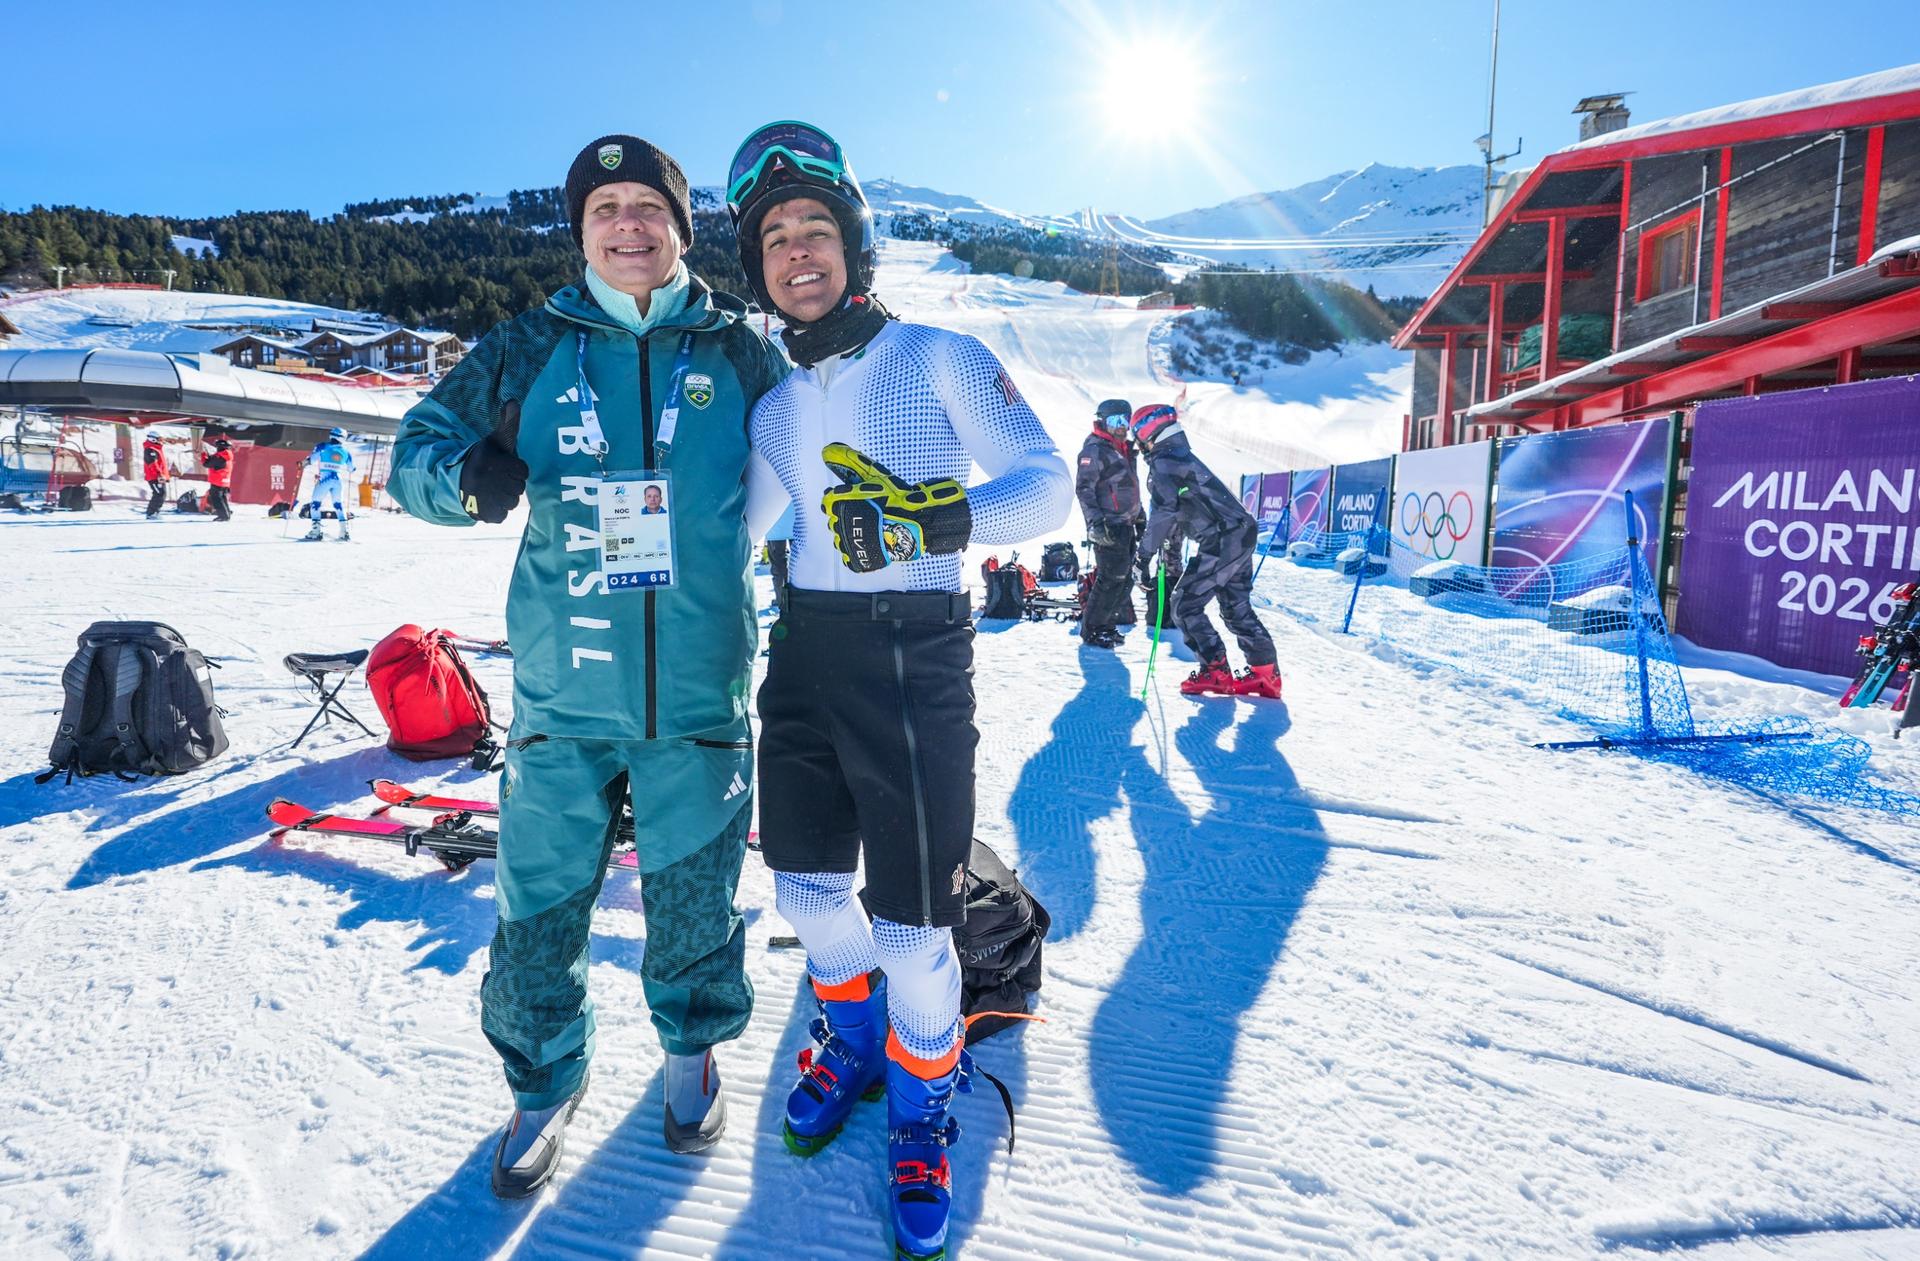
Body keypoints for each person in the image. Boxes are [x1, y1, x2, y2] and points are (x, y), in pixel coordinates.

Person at [389, 133, 789, 1198]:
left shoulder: (741, 354)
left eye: (648, 209)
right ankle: (541, 1080)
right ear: (580, 231)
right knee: (537, 915)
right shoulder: (527, 346)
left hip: (700, 697)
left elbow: (814, 479)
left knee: (697, 908)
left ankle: (690, 1047)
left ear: (679, 228)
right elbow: (411, 452)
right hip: (564, 701)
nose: (628, 226)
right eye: (606, 208)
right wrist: (455, 475)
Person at [729, 120, 1071, 1261]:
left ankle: (925, 1105)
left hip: (915, 653)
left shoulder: (936, 356)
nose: (796, 251)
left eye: (815, 228)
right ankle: (856, 1032)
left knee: (914, 923)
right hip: (806, 656)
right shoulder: (775, 410)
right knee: (809, 891)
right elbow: (734, 538)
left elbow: (1048, 488)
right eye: (773, 237)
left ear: (854, 242)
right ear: (756, 266)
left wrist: (935, 520)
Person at [1132, 404, 1283, 699]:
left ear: (1148, 431)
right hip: (1239, 532)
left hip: (1223, 537)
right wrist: (1162, 550)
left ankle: (1215, 671)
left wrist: (1142, 557)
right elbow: (1173, 514)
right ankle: (1264, 674)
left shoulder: (1164, 463)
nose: (1137, 442)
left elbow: (1164, 513)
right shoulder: (1177, 457)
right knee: (1235, 607)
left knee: (1185, 603)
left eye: (1137, 433)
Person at [1075, 398, 1145, 649]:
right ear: (1102, 421)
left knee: (1125, 579)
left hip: (1126, 523)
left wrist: (1140, 516)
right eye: (1116, 421)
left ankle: (1106, 625)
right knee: (1111, 577)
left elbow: (1130, 488)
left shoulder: (1124, 449)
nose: (1121, 426)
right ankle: (1092, 629)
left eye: (1126, 421)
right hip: (1108, 524)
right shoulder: (1095, 450)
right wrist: (1095, 524)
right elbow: (1084, 490)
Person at [300, 428, 355, 541]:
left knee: (315, 503)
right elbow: (351, 468)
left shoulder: (322, 446)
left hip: (325, 478)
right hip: (337, 480)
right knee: (339, 505)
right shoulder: (346, 451)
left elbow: (312, 460)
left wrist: (303, 463)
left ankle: (316, 532)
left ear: (331, 436)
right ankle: (344, 532)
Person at [201, 434, 234, 521]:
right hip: (225, 481)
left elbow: (207, 464)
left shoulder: (220, 456)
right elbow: (214, 461)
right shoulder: (226, 455)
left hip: (217, 481)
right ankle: (226, 515)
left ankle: (223, 516)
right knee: (222, 499)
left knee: (217, 500)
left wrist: (203, 455)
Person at [141, 434, 168, 519]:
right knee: (159, 493)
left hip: (159, 476)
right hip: (155, 477)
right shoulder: (150, 449)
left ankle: (154, 512)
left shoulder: (157, 449)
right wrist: (159, 474)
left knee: (161, 493)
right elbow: (152, 463)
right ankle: (151, 513)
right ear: (153, 439)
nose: (161, 441)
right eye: (159, 439)